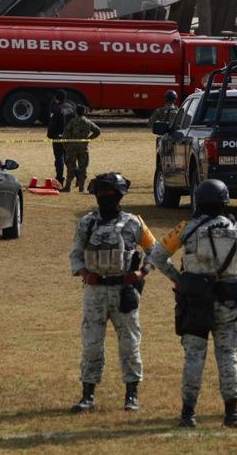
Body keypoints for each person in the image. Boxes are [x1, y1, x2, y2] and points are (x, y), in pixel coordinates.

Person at [149, 179, 237, 429]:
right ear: (225, 201)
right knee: (228, 357)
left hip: (195, 303)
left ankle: (188, 415)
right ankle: (232, 415)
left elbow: (157, 256)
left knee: (193, 357)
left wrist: (179, 280)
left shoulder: (186, 229)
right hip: (228, 304)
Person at [69, 173, 156, 413]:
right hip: (95, 291)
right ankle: (88, 394)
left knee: (129, 344)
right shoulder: (87, 223)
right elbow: (76, 253)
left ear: (119, 195)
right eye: (100, 193)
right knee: (91, 343)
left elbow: (154, 251)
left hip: (123, 291)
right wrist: (84, 273)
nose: (104, 197)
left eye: (108, 193)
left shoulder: (134, 223)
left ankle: (132, 394)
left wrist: (142, 272)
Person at [61, 105, 101, 192]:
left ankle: (68, 187)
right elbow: (97, 131)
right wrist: (88, 139)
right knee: (83, 168)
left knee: (71, 167)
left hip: (72, 147)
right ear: (84, 112)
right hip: (83, 147)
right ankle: (81, 187)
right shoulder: (88, 122)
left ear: (76, 112)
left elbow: (65, 134)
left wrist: (65, 145)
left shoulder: (72, 121)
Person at [47, 91, 76, 182]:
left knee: (59, 158)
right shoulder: (72, 108)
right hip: (70, 137)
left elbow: (52, 124)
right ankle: (78, 175)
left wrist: (50, 135)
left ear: (56, 98)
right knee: (69, 158)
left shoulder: (56, 109)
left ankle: (59, 179)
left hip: (58, 137)